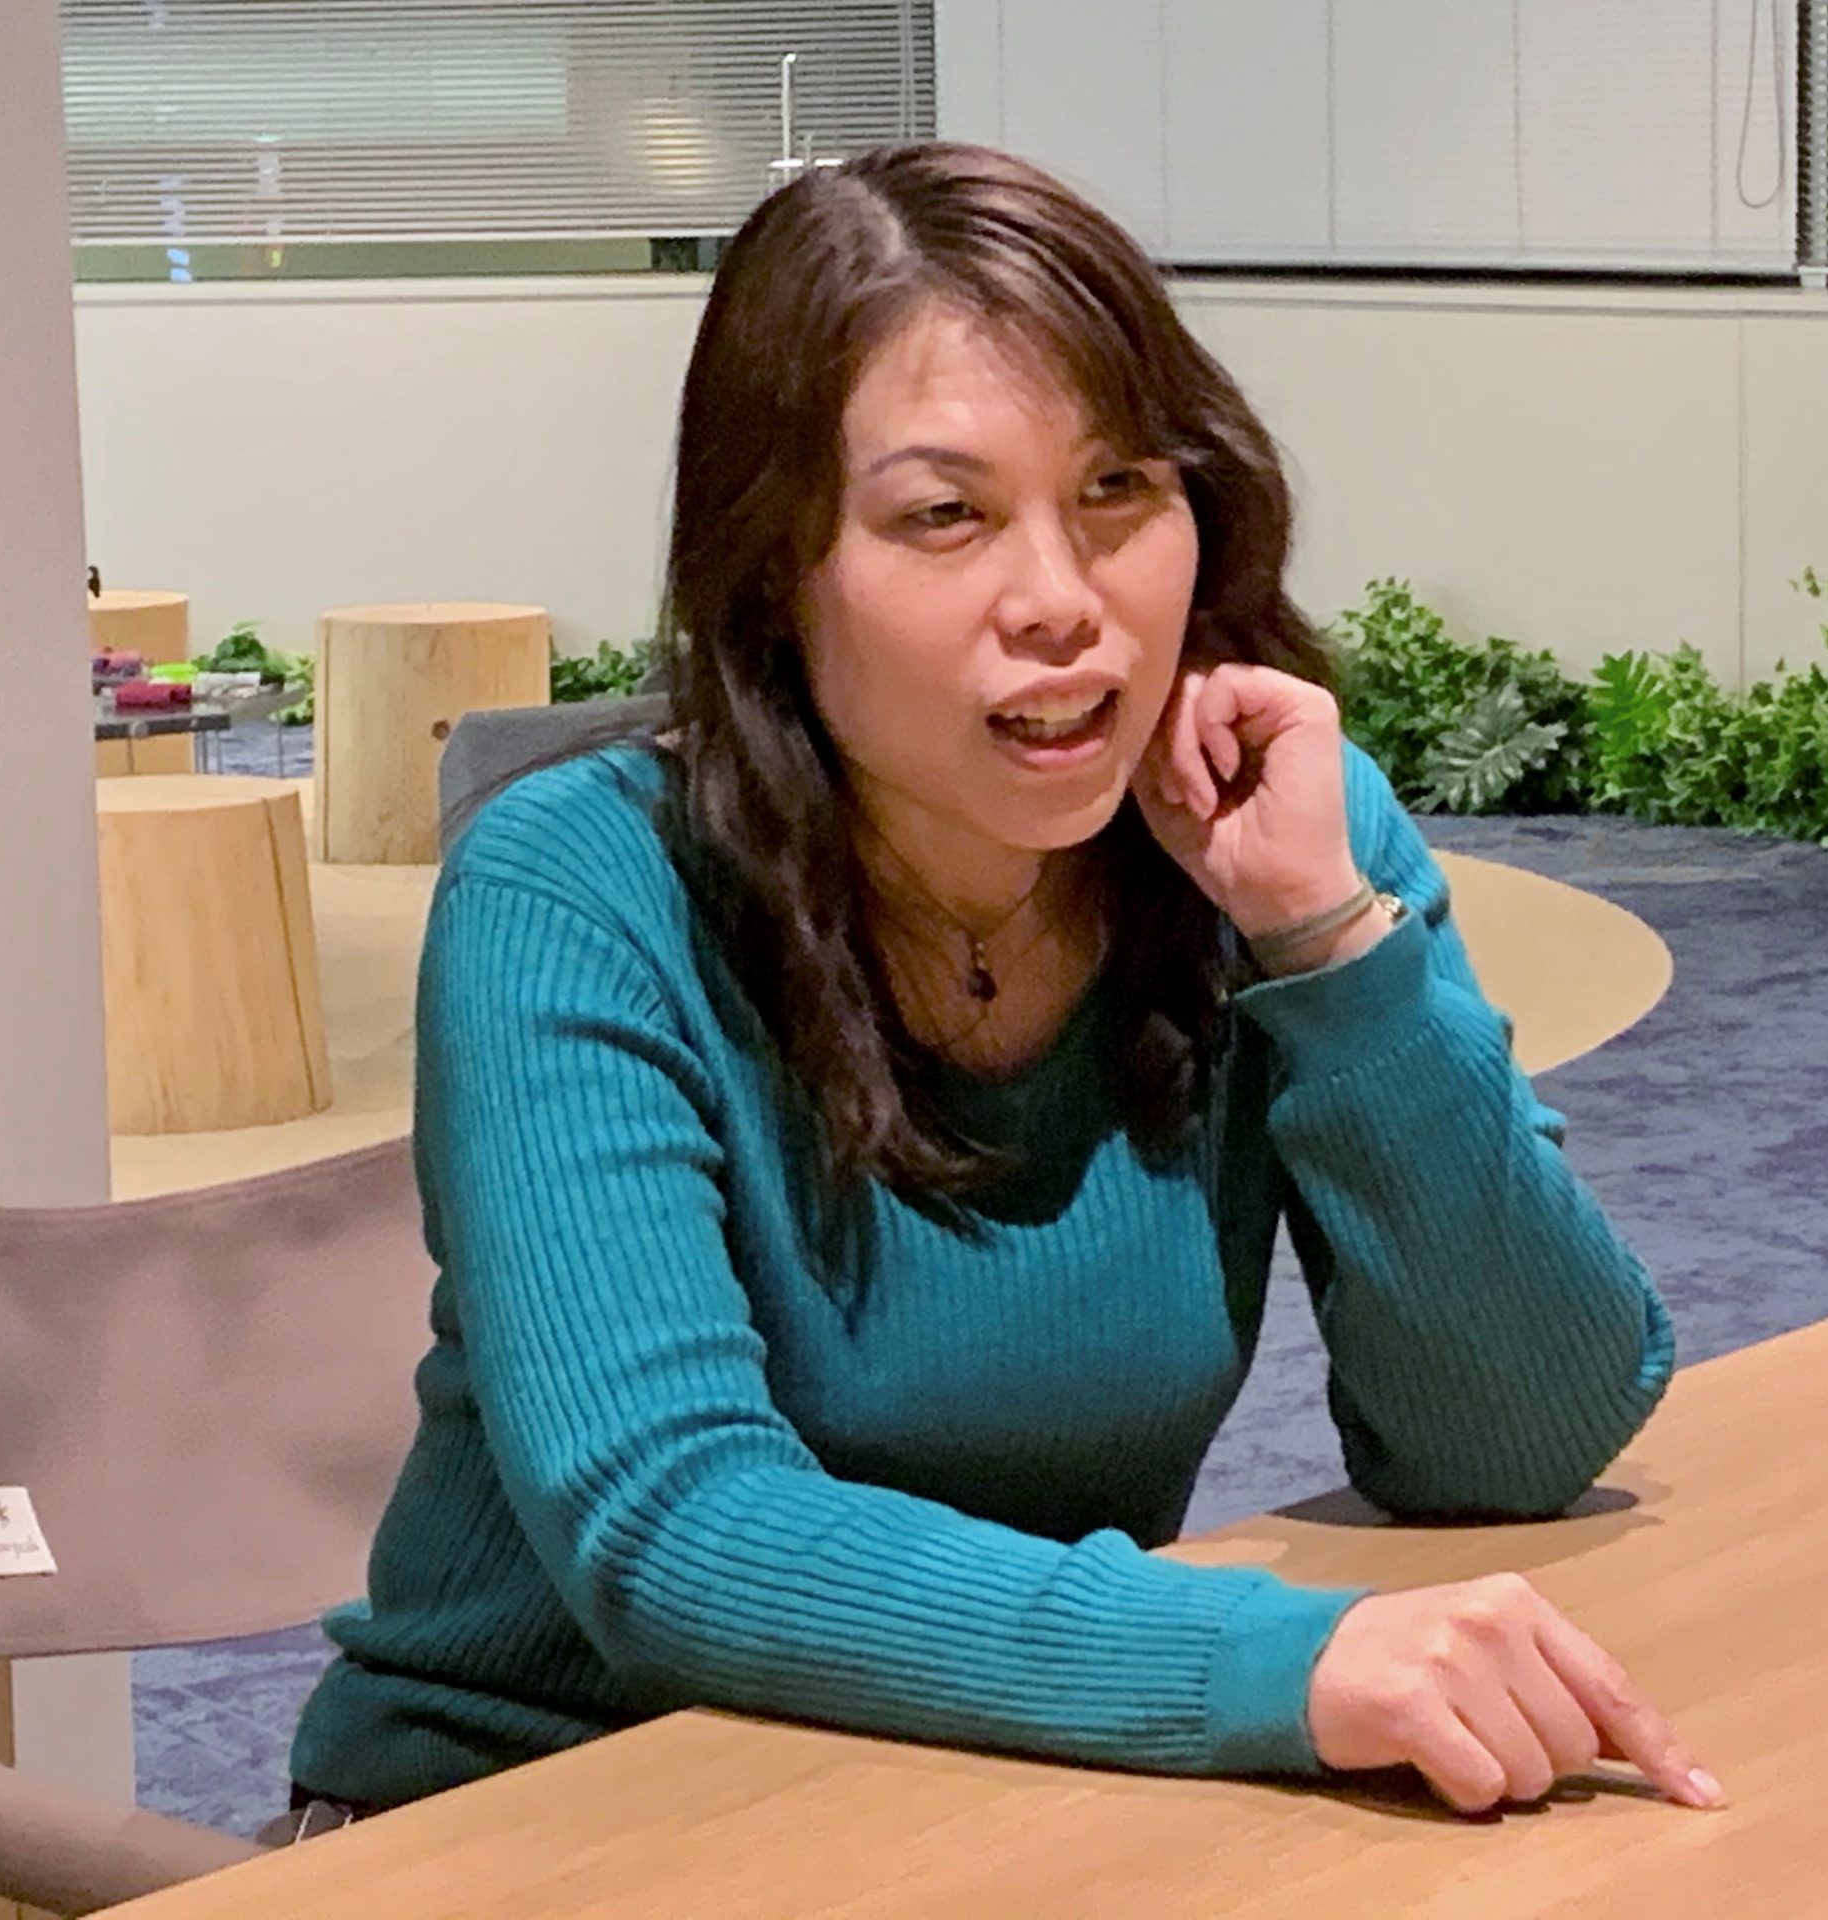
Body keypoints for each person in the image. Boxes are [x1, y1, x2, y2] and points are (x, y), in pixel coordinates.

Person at [289, 142, 1722, 1824]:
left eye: (1118, 489)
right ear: (776, 567)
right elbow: (670, 1526)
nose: (1061, 602)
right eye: (945, 516)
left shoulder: (1271, 836)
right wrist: (1270, 1661)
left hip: (990, 1800)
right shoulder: (582, 887)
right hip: (528, 1818)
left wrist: (1331, 946)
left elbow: (1520, 1439)